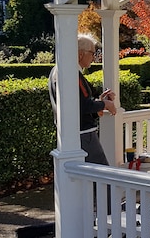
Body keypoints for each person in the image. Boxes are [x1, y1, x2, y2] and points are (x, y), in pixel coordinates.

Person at [48, 33, 117, 165]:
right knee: (102, 176)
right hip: (84, 134)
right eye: (92, 53)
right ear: (80, 54)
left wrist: (99, 102)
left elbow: (78, 103)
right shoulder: (71, 74)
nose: (93, 57)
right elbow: (83, 105)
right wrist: (105, 104)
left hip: (73, 134)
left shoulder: (57, 71)